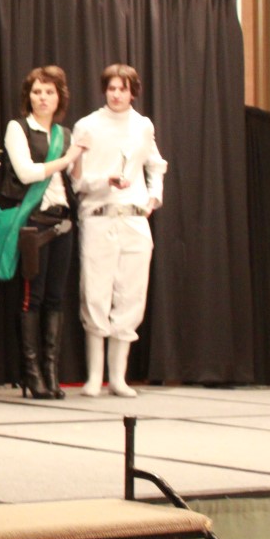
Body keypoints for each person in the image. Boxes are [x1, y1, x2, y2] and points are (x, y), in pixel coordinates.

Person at [0, 66, 88, 399]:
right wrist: (68, 157)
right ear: (28, 96)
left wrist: (78, 159)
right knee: (33, 296)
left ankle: (51, 373)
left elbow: (75, 179)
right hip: (33, 223)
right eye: (37, 92)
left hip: (63, 221)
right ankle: (31, 375)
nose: (42, 98)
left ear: (59, 98)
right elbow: (27, 173)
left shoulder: (65, 134)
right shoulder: (18, 128)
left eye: (49, 92)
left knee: (56, 297)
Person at [71, 64, 167, 397]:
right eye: (111, 88)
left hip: (135, 218)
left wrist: (153, 197)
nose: (116, 94)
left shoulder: (142, 126)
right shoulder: (88, 125)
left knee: (131, 294)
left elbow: (155, 163)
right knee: (95, 292)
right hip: (99, 216)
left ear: (132, 92)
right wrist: (104, 181)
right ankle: (94, 376)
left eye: (122, 89)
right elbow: (77, 179)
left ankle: (118, 377)